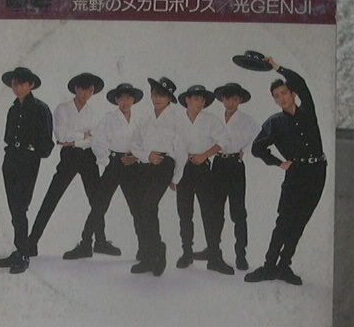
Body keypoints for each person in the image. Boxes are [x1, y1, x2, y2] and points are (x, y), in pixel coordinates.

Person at [246, 57, 326, 285]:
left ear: (293, 94)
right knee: (285, 221)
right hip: (296, 174)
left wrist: (277, 67)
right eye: (276, 96)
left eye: (284, 93)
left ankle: (284, 267)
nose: (281, 98)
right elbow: (257, 148)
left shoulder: (308, 111)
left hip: (318, 172)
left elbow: (301, 82)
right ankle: (268, 266)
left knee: (300, 222)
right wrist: (279, 163)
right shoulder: (275, 123)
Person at [27, 72, 118, 257]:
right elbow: (61, 136)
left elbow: (95, 138)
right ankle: (32, 241)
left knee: (97, 200)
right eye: (83, 89)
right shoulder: (62, 109)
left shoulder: (93, 112)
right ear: (76, 88)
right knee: (52, 197)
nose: (86, 94)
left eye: (90, 90)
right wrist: (83, 136)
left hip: (88, 157)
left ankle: (100, 241)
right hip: (69, 157)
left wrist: (75, 138)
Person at [63, 82, 143, 260]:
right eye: (121, 98)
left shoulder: (139, 120)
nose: (125, 102)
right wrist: (108, 161)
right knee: (99, 205)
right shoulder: (109, 118)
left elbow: (143, 142)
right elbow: (98, 141)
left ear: (133, 100)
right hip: (114, 164)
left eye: (128, 98)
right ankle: (85, 244)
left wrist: (135, 156)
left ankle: (143, 248)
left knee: (137, 207)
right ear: (116, 100)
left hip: (131, 165)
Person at [0, 66, 54, 274]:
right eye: (14, 84)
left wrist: (31, 150)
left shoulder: (41, 109)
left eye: (21, 83)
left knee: (20, 207)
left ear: (31, 85)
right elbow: (8, 136)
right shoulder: (13, 110)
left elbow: (46, 144)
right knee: (14, 208)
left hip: (28, 161)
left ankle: (23, 253)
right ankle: (20, 249)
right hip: (11, 159)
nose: (17, 87)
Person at [128, 77, 186, 276]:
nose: (157, 98)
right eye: (154, 94)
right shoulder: (145, 118)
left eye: (162, 95)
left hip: (164, 164)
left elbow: (181, 150)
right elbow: (134, 144)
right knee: (142, 210)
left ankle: (159, 250)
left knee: (148, 206)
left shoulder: (177, 119)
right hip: (145, 165)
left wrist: (175, 178)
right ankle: (148, 257)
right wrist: (147, 156)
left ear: (169, 98)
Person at [174, 85, 231, 274]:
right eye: (196, 98)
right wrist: (173, 176)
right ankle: (186, 253)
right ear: (187, 100)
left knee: (210, 213)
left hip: (203, 168)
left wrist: (205, 155)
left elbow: (223, 141)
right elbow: (172, 146)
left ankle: (214, 257)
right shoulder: (177, 120)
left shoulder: (210, 120)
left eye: (202, 99)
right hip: (183, 168)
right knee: (184, 213)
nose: (200, 102)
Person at [211, 82, 261, 271]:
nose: (230, 102)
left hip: (235, 165)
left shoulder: (247, 121)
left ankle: (241, 254)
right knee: (216, 210)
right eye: (227, 98)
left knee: (238, 211)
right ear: (222, 100)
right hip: (218, 164)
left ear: (240, 100)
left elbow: (260, 137)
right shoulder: (215, 119)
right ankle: (214, 252)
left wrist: (244, 150)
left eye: (234, 99)